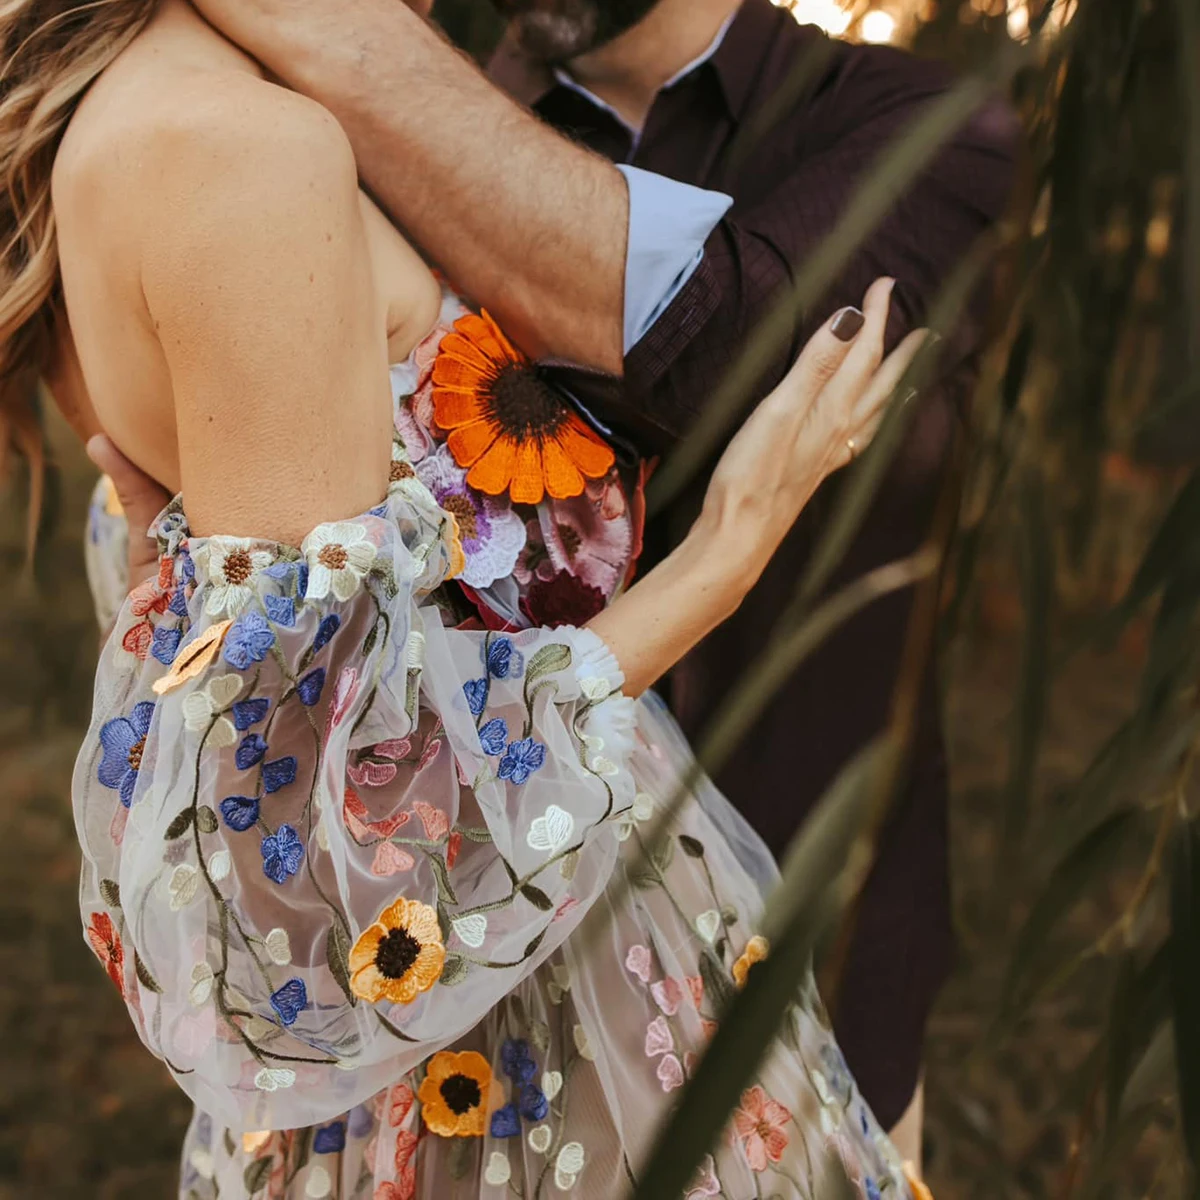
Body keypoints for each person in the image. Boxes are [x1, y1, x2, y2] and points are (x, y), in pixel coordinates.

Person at [0, 0, 935, 1196]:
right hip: (530, 1054)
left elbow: (214, 676)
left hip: (512, 996)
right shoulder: (244, 153)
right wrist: (723, 557)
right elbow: (322, 854)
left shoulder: (100, 124)